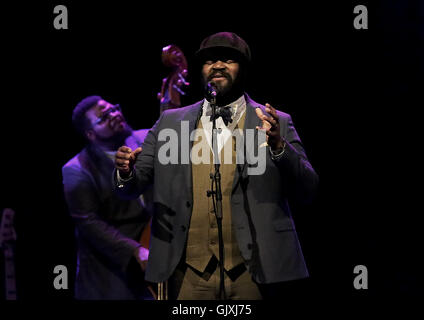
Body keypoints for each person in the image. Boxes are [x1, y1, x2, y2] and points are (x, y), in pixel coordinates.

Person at [114, 32, 319, 300]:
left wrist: (280, 148)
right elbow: (130, 188)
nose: (217, 66)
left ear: (243, 68)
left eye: (228, 60)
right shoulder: (170, 123)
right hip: (189, 271)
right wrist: (125, 173)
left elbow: (308, 189)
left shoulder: (274, 120)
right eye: (209, 61)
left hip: (254, 269)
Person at [62, 96, 153, 299]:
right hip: (111, 277)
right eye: (104, 117)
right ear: (91, 134)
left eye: (114, 109)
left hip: (153, 254)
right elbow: (90, 224)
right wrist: (136, 251)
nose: (115, 115)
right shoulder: (76, 170)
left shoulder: (146, 139)